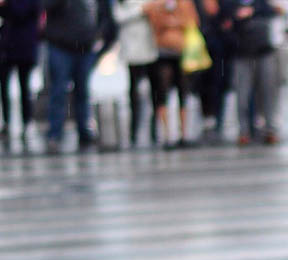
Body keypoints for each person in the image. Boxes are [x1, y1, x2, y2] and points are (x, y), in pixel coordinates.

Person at [42, 0, 116, 153]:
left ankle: (84, 130)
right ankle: (55, 133)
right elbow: (44, 6)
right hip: (60, 45)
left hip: (85, 47)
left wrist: (100, 42)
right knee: (58, 90)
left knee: (83, 91)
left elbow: (106, 18)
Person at [218, 0, 281, 145]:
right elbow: (223, 18)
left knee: (268, 91)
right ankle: (244, 130)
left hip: (264, 50)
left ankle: (270, 128)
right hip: (241, 53)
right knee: (242, 94)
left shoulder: (260, 3)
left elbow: (271, 11)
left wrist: (252, 11)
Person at [144, 0, 199, 148]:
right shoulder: (156, 4)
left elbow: (191, 20)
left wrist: (173, 20)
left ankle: (184, 133)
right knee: (162, 92)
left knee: (183, 91)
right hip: (163, 52)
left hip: (182, 51)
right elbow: (155, 23)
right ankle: (167, 134)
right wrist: (170, 19)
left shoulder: (184, 3)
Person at [114, 0, 161, 147]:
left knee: (156, 91)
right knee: (134, 92)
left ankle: (156, 128)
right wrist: (141, 10)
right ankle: (134, 130)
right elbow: (118, 16)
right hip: (133, 49)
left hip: (151, 47)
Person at [0, 0, 41, 145]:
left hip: (24, 46)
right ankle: (6, 122)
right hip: (6, 47)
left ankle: (27, 122)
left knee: (24, 87)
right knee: (3, 87)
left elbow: (22, 13)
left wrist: (6, 4)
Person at [196, 0, 232, 143]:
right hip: (200, 43)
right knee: (203, 83)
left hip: (220, 46)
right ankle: (207, 117)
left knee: (220, 83)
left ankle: (218, 117)